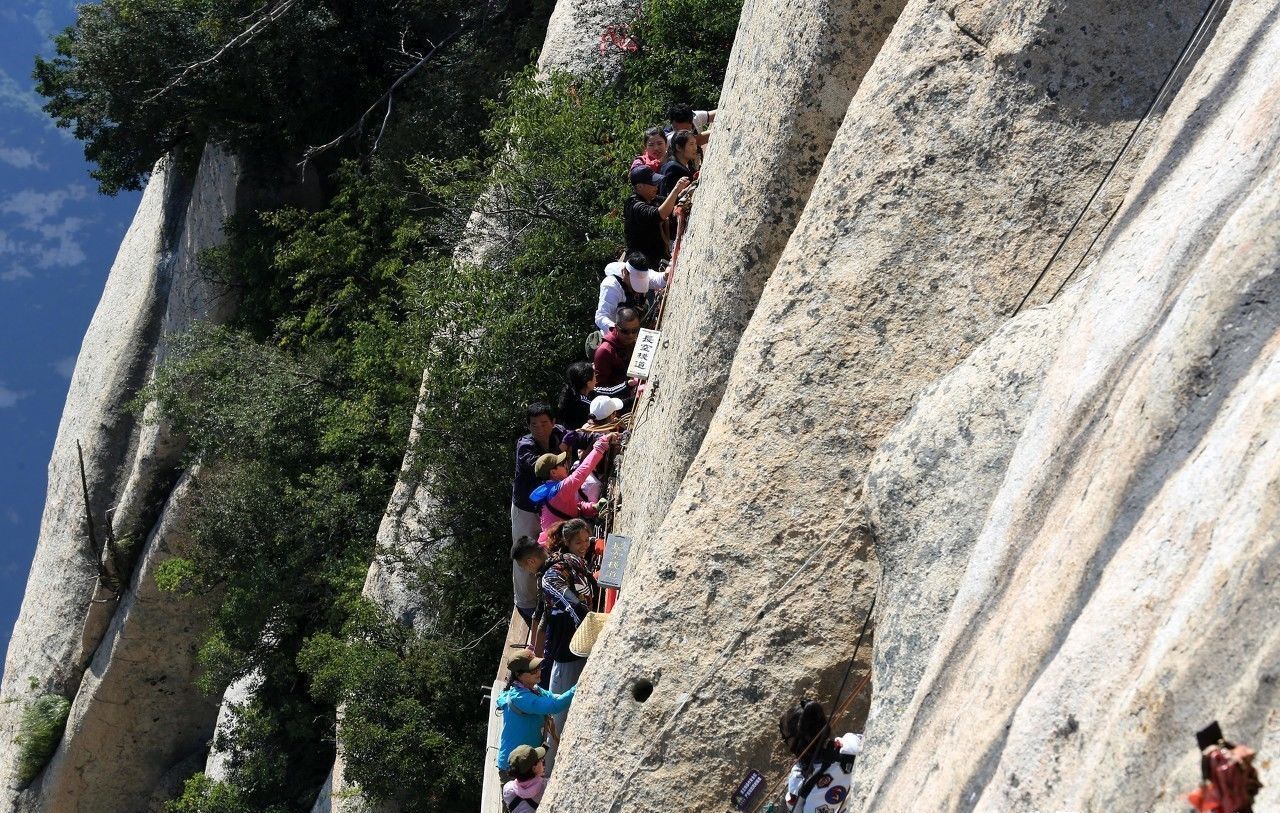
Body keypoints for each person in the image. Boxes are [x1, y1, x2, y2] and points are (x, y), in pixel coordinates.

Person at [541, 518, 597, 739]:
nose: (584, 546)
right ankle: (552, 758)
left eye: (586, 540)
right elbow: (569, 601)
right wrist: (586, 621)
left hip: (581, 642)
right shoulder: (559, 569)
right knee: (561, 706)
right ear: (567, 542)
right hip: (568, 647)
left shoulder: (578, 565)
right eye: (578, 543)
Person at [511, 404, 567, 622]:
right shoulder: (525, 445)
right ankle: (525, 603)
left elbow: (576, 436)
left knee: (547, 548)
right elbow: (535, 464)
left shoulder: (558, 434)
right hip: (526, 508)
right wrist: (557, 466)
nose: (540, 429)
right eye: (534, 424)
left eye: (544, 423)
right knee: (525, 553)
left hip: (548, 507)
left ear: (552, 422)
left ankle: (546, 595)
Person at [495, 650, 574, 781]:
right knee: (518, 802)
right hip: (515, 767)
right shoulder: (521, 697)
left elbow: (553, 699)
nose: (538, 671)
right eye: (532, 670)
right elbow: (554, 706)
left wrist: (571, 695)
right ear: (519, 675)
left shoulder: (534, 689)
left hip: (529, 763)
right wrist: (579, 687)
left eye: (538, 667)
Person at [779, 700, 864, 813]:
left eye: (785, 740)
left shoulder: (797, 783)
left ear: (796, 742)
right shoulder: (852, 741)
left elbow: (795, 810)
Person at [528, 432, 615, 531]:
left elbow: (576, 507)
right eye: (562, 463)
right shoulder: (558, 490)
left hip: (559, 540)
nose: (566, 465)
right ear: (553, 472)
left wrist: (594, 507)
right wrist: (601, 445)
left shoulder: (550, 491)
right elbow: (582, 472)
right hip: (561, 542)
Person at [625, 164, 690, 267]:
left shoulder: (652, 199)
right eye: (652, 183)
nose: (656, 187)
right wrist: (676, 190)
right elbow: (660, 214)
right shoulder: (635, 206)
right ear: (639, 187)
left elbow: (671, 203)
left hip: (658, 259)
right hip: (642, 266)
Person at [595, 253, 666, 333]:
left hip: (637, 323)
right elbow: (601, 317)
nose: (636, 291)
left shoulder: (639, 272)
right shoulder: (611, 286)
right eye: (635, 284)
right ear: (625, 272)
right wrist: (620, 331)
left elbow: (657, 279)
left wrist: (665, 275)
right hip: (616, 332)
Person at [593, 306, 642, 397]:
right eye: (625, 331)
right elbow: (599, 389)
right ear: (616, 327)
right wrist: (626, 386)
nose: (631, 335)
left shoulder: (638, 339)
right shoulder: (605, 351)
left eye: (635, 330)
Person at [510, 536, 548, 629]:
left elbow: (544, 617)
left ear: (531, 561)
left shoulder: (546, 580)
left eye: (523, 567)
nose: (526, 570)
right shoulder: (558, 553)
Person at [501, 744, 547, 813]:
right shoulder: (545, 786)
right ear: (534, 768)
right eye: (540, 760)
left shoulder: (507, 789)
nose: (542, 761)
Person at [659, 129, 699, 199]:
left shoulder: (686, 164)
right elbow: (672, 198)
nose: (695, 148)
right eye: (691, 144)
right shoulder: (673, 169)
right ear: (678, 147)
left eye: (695, 144)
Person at [556, 361, 596, 430]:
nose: (596, 380)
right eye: (595, 376)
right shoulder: (586, 404)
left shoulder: (571, 394)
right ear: (588, 383)